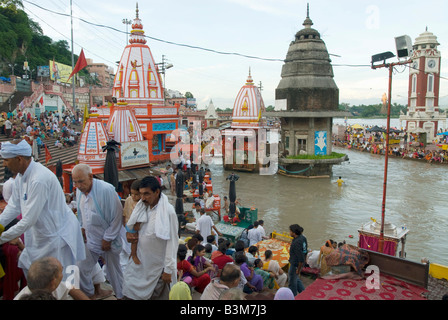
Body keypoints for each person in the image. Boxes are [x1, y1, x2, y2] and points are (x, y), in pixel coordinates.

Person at [0, 139, 85, 278]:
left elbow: (28, 220)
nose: (4, 164)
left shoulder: (38, 179)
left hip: (59, 235)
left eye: (6, 160)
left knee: (66, 281)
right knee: (39, 278)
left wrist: (1, 238)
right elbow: (14, 207)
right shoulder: (20, 178)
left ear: (19, 159)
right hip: (41, 237)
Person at [72, 163, 124, 299]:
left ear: (90, 177)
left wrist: (108, 238)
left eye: (81, 181)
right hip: (90, 238)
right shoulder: (79, 191)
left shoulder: (106, 190)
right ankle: (88, 294)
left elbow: (117, 215)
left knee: (114, 272)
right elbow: (82, 211)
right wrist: (82, 227)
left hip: (108, 239)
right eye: (75, 182)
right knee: (81, 267)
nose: (78, 185)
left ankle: (121, 295)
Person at [123, 176, 179, 300]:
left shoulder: (168, 212)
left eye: (147, 194)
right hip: (141, 263)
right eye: (141, 194)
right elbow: (133, 229)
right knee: (129, 288)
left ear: (157, 192)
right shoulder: (142, 207)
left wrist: (168, 269)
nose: (143, 198)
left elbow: (172, 242)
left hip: (159, 268)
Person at [14, 257, 90, 300]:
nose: (62, 274)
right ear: (53, 282)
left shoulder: (44, 285)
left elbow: (70, 288)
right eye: (61, 271)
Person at [288, 224, 306, 296]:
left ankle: (293, 296)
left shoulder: (296, 243)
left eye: (290, 231)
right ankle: (304, 293)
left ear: (294, 233)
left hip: (295, 264)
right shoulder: (303, 238)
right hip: (299, 264)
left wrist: (298, 269)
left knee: (292, 282)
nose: (289, 232)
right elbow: (305, 251)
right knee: (296, 279)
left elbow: (300, 258)